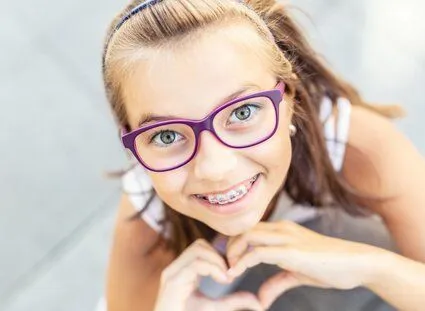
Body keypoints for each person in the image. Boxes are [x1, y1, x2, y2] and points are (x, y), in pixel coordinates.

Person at [99, 0, 425, 310]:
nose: (216, 168)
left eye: (243, 112)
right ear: (130, 140)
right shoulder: (145, 207)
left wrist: (369, 267)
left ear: (289, 98)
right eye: (166, 135)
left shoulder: (362, 149)